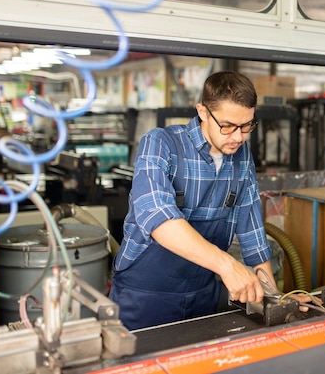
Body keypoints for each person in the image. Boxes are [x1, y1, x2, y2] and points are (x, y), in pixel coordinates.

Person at [109, 70, 277, 330]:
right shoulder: (161, 144)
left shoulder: (242, 158)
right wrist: (226, 265)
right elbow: (158, 218)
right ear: (202, 112)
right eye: (228, 126)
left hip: (202, 294)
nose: (238, 137)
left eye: (246, 126)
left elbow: (252, 234)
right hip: (145, 296)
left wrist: (273, 300)